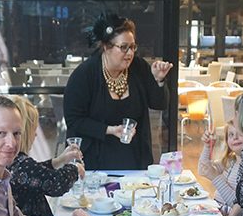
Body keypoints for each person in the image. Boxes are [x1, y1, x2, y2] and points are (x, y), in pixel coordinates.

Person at [63, 12, 173, 170]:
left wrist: (159, 80)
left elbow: (159, 104)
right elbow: (75, 121)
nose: (130, 53)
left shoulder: (138, 67)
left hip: (135, 157)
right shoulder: (84, 75)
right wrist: (110, 130)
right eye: (123, 47)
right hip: (95, 159)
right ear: (106, 47)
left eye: (132, 47)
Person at [8, 95, 84, 216]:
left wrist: (60, 160)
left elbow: (37, 172)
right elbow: (55, 184)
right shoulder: (20, 164)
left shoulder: (18, 163)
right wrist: (75, 169)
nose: (36, 135)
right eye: (34, 129)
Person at [197, 120, 243, 208]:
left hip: (228, 213)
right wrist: (207, 146)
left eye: (240, 134)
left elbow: (239, 204)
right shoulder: (230, 161)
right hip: (216, 207)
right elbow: (202, 169)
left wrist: (215, 177)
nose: (235, 137)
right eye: (231, 134)